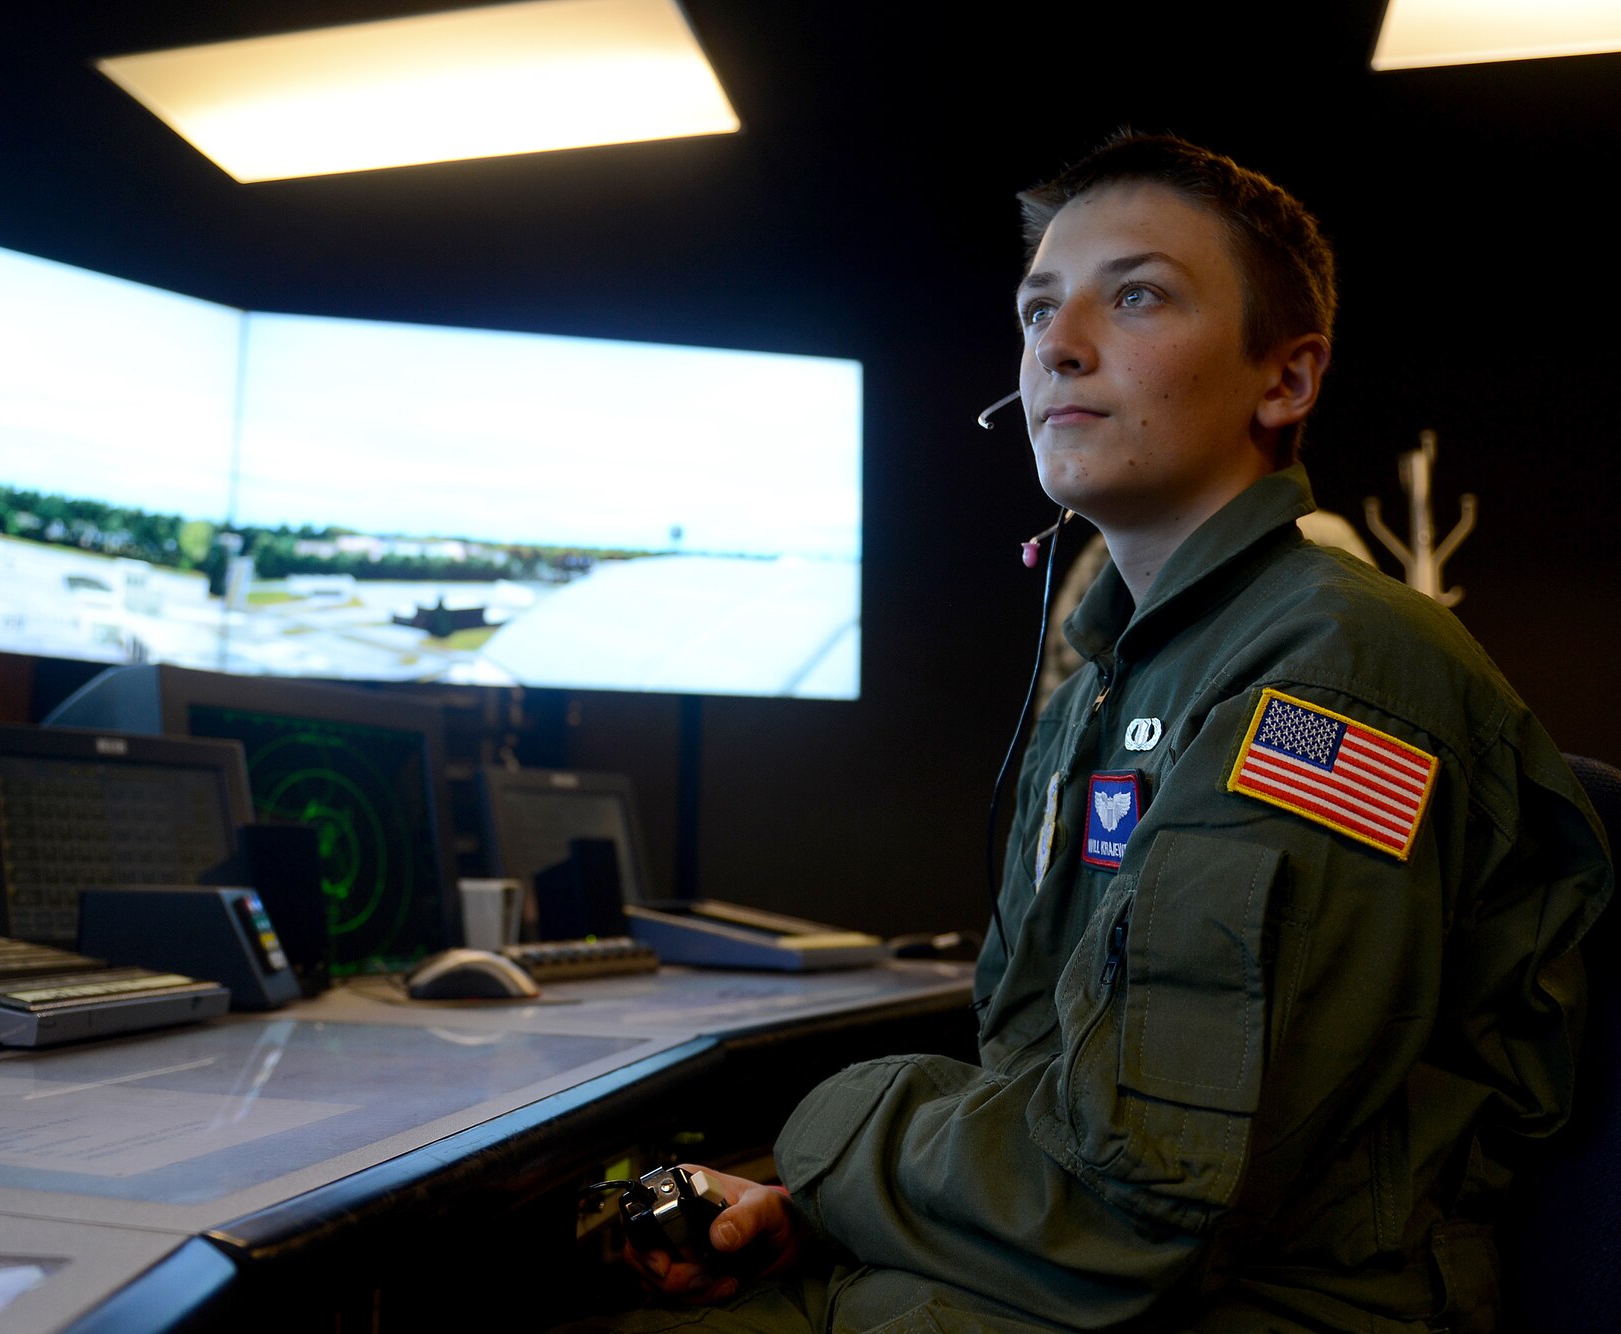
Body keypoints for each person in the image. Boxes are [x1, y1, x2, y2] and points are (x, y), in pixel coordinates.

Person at [567, 133, 1614, 1332]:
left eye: (1135, 295)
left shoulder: (1332, 671)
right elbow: (1044, 1091)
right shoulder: (1095, 696)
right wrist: (811, 1214)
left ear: (1285, 378)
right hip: (1054, 1276)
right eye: (1035, 309)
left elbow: (1143, 1196)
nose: (1055, 346)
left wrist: (826, 1145)